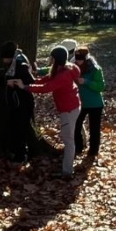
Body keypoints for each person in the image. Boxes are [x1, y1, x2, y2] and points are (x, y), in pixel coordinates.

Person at [28, 46, 82, 178]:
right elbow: (46, 80)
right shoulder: (61, 69)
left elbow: (47, 87)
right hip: (73, 106)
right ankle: (79, 147)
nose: (49, 59)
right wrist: (31, 81)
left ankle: (67, 171)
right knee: (72, 132)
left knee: (68, 139)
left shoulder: (63, 74)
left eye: (51, 56)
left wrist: (26, 87)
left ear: (55, 59)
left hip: (68, 109)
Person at [1, 41, 39, 165]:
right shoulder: (15, 62)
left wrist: (16, 83)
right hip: (17, 102)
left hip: (22, 103)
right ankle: (15, 151)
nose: (3, 61)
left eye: (4, 58)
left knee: (20, 129)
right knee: (15, 127)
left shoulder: (19, 63)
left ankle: (20, 156)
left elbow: (29, 80)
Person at [72, 45, 106, 159]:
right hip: (80, 103)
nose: (78, 61)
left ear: (86, 58)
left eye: (80, 59)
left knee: (94, 129)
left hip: (95, 104)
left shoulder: (96, 69)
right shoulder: (74, 67)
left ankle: (93, 151)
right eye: (77, 59)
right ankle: (78, 147)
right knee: (76, 125)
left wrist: (86, 81)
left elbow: (101, 86)